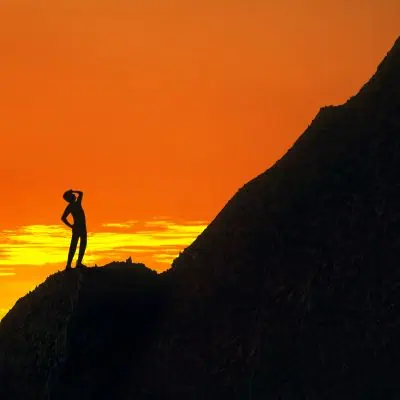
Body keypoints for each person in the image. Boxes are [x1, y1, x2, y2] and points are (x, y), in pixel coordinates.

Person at [61, 189, 87, 270]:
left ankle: (78, 263)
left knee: (82, 244)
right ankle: (69, 265)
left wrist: (71, 226)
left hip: (82, 227)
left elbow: (81, 193)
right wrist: (71, 226)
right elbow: (63, 218)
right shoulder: (72, 205)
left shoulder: (76, 204)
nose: (74, 196)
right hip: (78, 227)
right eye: (72, 195)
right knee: (74, 246)